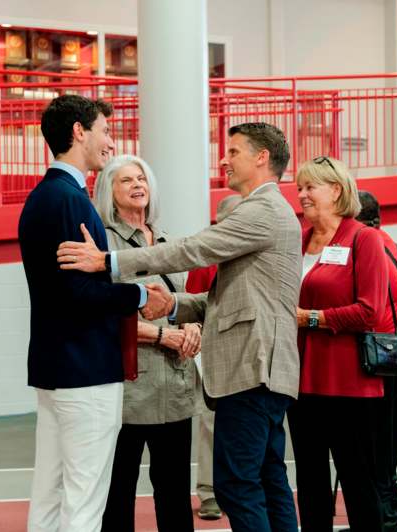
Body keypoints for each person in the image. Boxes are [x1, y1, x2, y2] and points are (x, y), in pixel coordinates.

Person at [58, 122, 302, 532]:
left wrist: (107, 262)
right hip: (250, 372)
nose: (224, 159)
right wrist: (173, 306)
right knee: (267, 478)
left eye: (234, 151)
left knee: (238, 484)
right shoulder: (267, 212)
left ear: (262, 158)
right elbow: (226, 300)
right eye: (126, 179)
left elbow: (194, 249)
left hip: (252, 368)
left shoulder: (261, 210)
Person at [18, 95, 172, 532]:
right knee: (84, 501)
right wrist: (140, 295)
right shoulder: (71, 200)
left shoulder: (42, 197)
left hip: (55, 368)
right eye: (105, 129)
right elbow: (80, 291)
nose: (110, 141)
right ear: (79, 132)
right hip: (85, 369)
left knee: (49, 495)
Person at [97, 154, 203, 532]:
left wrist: (193, 329)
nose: (137, 184)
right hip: (129, 389)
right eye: (125, 180)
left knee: (174, 492)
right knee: (118, 493)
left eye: (141, 177)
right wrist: (163, 334)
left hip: (175, 387)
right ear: (109, 191)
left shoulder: (169, 242)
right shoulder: (105, 244)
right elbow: (105, 314)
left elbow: (185, 303)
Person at [287, 156, 388, 531]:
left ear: (337, 190)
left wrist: (310, 318)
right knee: (310, 482)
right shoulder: (296, 241)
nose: (302, 195)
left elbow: (369, 311)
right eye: (300, 188)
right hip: (300, 381)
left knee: (358, 481)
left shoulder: (364, 239)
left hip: (350, 384)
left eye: (310, 187)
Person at [356, 190, 397, 532]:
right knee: (389, 442)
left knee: (375, 444)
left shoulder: (365, 247)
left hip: (381, 355)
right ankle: (389, 511)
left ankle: (387, 516)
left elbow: (370, 307)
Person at [184, 193, 242, 522]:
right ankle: (208, 492)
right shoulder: (206, 255)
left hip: (244, 348)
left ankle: (234, 486)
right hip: (210, 349)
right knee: (210, 422)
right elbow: (193, 303)